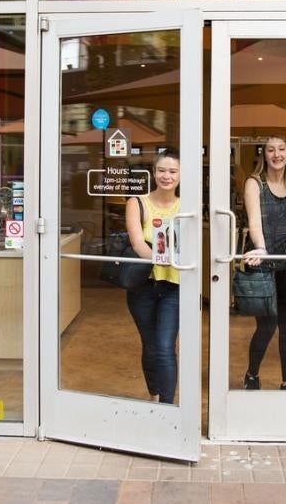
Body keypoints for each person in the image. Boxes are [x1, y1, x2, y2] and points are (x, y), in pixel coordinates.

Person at [241, 134, 286, 391]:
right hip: (264, 263)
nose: (277, 154)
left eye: (281, 149)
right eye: (271, 150)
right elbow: (255, 223)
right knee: (267, 325)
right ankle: (252, 374)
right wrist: (261, 249)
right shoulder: (254, 184)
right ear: (264, 154)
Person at [124, 148, 181, 404]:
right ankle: (155, 396)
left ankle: (168, 409)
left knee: (166, 347)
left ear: (181, 175)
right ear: (153, 172)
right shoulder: (137, 203)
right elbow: (138, 243)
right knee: (150, 346)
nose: (166, 176)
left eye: (172, 171)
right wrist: (161, 258)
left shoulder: (186, 207)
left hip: (174, 285)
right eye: (161, 170)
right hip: (143, 286)